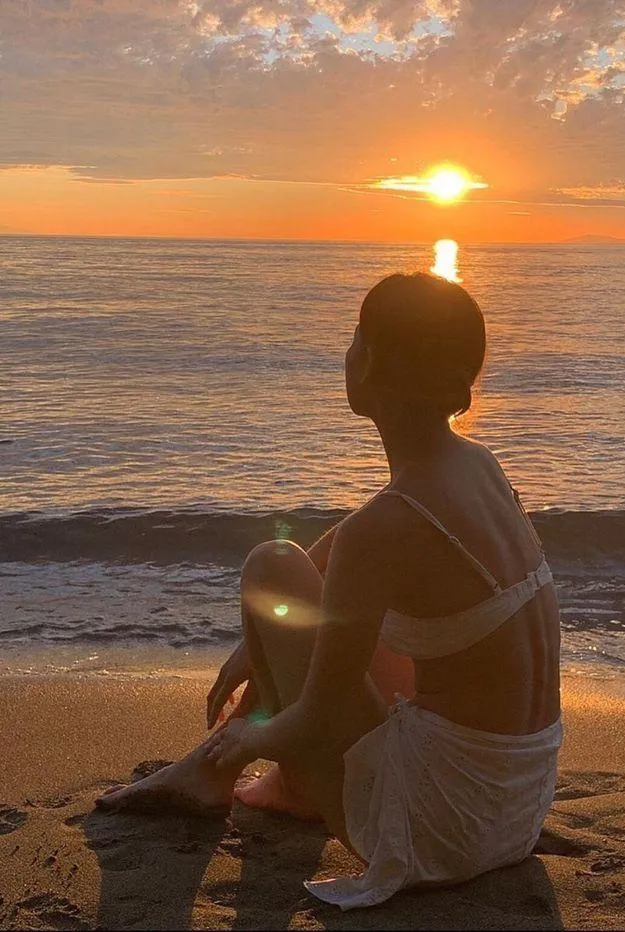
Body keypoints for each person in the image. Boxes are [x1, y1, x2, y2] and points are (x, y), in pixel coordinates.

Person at [96, 272, 562, 910]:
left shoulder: (389, 525)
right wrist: (258, 639)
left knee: (271, 564)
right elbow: (353, 542)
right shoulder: (476, 465)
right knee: (324, 597)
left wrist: (240, 739)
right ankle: (270, 779)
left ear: (368, 362)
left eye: (353, 340)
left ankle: (236, 777)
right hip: (514, 810)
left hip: (437, 833)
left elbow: (315, 713)